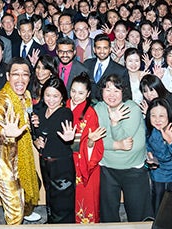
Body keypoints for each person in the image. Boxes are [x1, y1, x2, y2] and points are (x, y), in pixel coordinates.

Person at [0, 57, 41, 224]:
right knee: (15, 210)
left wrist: (32, 121)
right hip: (3, 162)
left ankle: (27, 210)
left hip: (22, 155)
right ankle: (18, 216)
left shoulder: (27, 95)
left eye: (25, 74)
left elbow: (28, 115)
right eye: (16, 74)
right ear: (8, 76)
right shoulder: (2, 99)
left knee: (33, 185)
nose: (21, 79)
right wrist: (5, 132)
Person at [94, 74, 152, 222]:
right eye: (107, 89)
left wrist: (114, 123)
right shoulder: (98, 108)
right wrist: (116, 145)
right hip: (107, 168)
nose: (111, 95)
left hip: (133, 169)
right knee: (108, 215)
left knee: (138, 213)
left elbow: (126, 141)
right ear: (101, 91)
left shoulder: (132, 108)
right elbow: (95, 140)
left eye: (116, 90)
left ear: (123, 92)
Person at [31, 77, 75, 223]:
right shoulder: (41, 112)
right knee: (50, 196)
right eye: (47, 95)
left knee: (63, 202)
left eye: (55, 96)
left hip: (61, 165)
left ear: (62, 96)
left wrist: (69, 139)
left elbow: (62, 133)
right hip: (45, 162)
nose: (51, 99)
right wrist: (36, 139)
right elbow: (38, 136)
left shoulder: (65, 113)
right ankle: (51, 222)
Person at [64, 73, 104, 223]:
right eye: (73, 91)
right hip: (66, 161)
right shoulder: (64, 106)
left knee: (86, 201)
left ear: (88, 94)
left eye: (81, 93)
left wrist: (90, 142)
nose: (76, 96)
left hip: (84, 162)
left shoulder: (90, 114)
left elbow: (94, 143)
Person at [145, 98, 172, 216]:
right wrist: (149, 154)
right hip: (157, 170)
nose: (157, 120)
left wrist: (170, 141)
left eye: (161, 116)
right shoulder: (147, 125)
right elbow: (146, 145)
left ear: (169, 114)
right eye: (153, 115)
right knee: (157, 205)